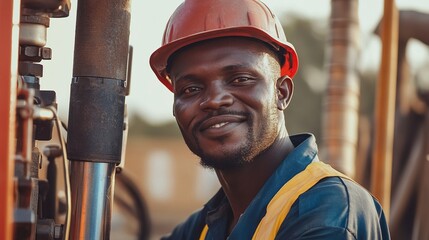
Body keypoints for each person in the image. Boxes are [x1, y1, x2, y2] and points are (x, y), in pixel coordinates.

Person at [149, 0, 391, 239]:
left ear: (282, 93)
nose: (214, 100)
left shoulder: (329, 214)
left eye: (240, 79)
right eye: (191, 89)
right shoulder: (206, 225)